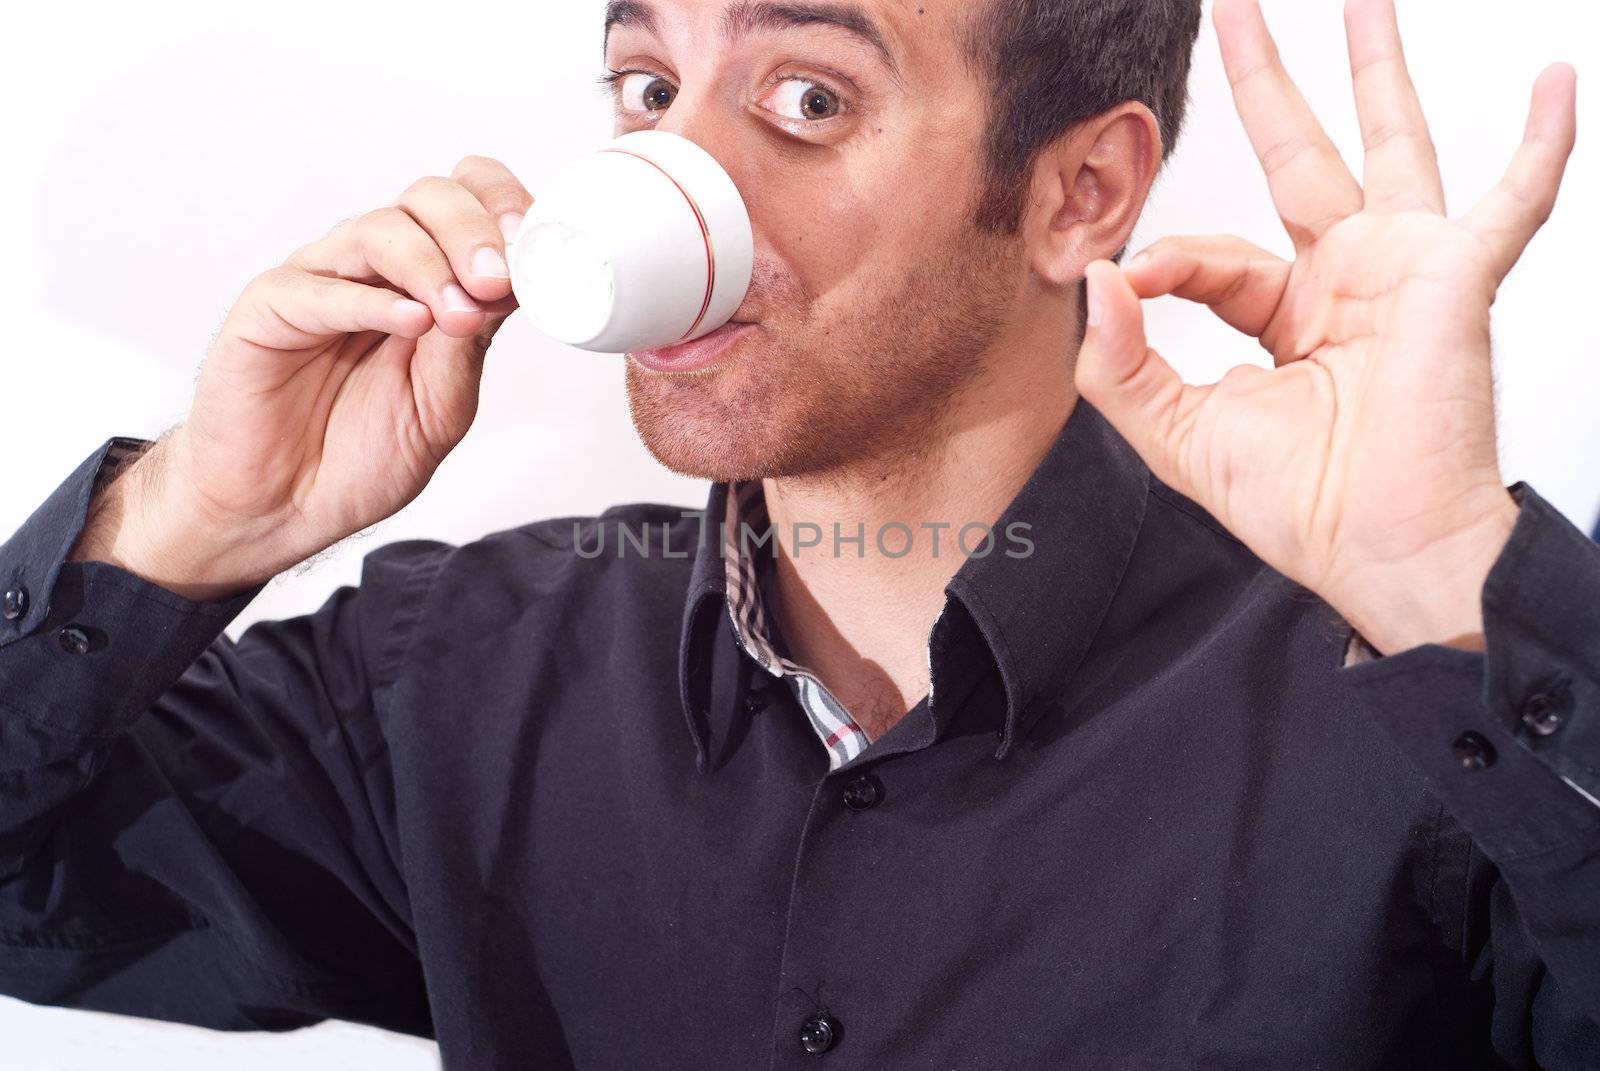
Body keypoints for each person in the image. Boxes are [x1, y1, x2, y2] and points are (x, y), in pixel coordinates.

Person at [0, 0, 1593, 1066]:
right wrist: (195, 517)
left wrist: (1452, 581)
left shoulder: (1420, 707)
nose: (667, 169)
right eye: (646, 86)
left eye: (808, 96)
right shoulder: (459, 677)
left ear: (1081, 194)